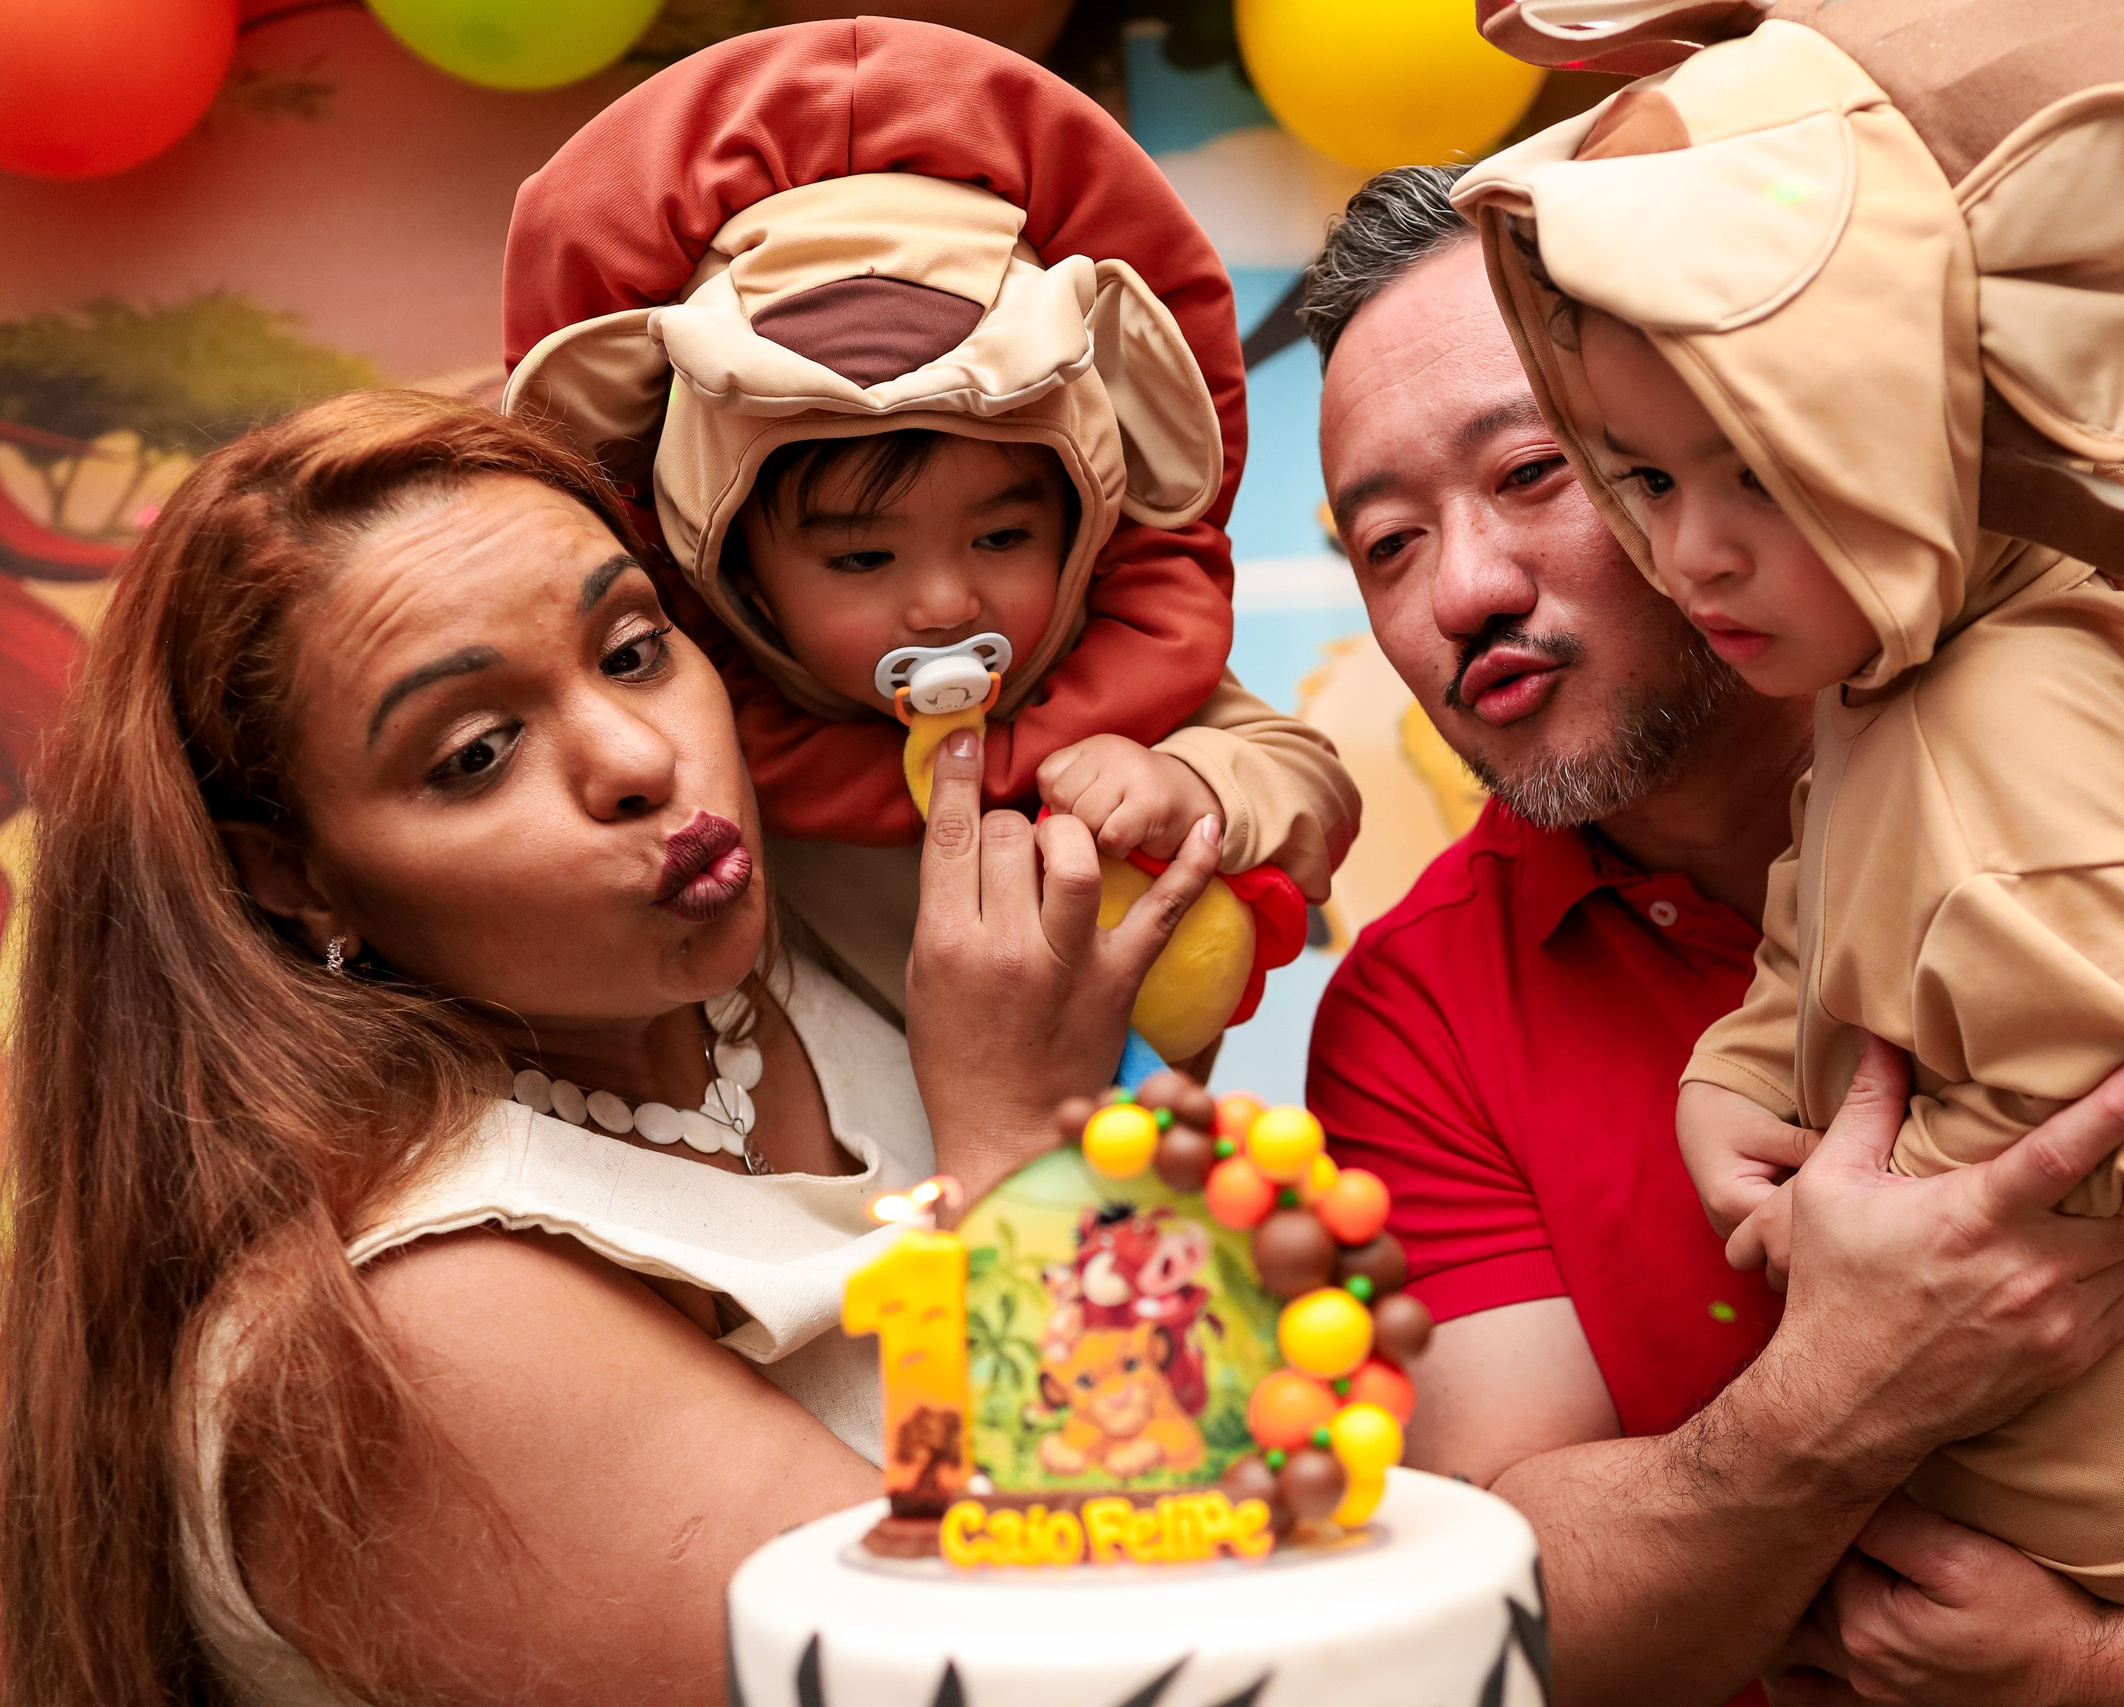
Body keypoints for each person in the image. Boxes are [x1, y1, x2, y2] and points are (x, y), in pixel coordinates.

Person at [1302, 163, 2124, 1706]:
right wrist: (1844, 1391)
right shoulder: (1417, 1007)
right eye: (1386, 544)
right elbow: (1520, 1591)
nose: (1465, 590)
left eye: (1534, 472)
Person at [0, 390, 1217, 1707]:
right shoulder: (410, 1323)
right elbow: (1024, 1679)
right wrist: (1023, 1146)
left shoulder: (798, 945)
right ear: (295, 875)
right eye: (475, 751)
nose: (642, 757)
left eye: (633, 647)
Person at [500, 19, 1359, 1039]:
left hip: (1105, 1150)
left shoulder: (1107, 674)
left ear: (1084, 520)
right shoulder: (703, 736)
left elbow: (1313, 786)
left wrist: (1185, 781)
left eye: (1001, 539)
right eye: (862, 557)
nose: (947, 602)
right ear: (735, 574)